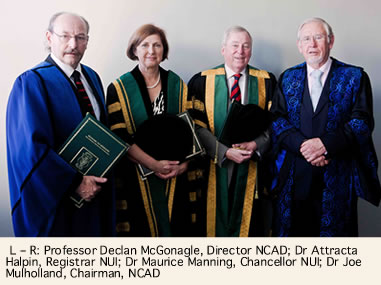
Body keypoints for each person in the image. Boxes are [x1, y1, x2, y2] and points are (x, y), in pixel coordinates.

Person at [270, 17, 381, 237]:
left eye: (318, 37)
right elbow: (277, 120)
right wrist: (304, 146)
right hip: (294, 176)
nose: (312, 44)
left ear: (330, 41)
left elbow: (362, 122)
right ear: (299, 46)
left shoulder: (355, 76)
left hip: (337, 174)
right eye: (306, 39)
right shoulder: (288, 77)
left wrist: (324, 145)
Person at [6, 12, 114, 237]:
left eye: (80, 37)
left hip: (94, 194)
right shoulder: (31, 82)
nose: (73, 44)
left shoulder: (92, 78)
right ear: (49, 38)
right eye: (65, 36)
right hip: (56, 202)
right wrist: (76, 182)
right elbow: (29, 150)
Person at [187, 26, 276, 237]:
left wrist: (256, 145)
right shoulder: (201, 81)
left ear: (251, 51)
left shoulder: (267, 81)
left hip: (252, 168)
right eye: (235, 45)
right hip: (212, 167)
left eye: (246, 46)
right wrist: (224, 151)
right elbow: (195, 126)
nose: (240, 51)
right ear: (223, 49)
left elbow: (276, 124)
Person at [106, 24, 191, 237]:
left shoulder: (178, 84)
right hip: (135, 178)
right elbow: (119, 137)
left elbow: (190, 132)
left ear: (164, 51)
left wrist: (183, 166)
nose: (151, 51)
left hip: (173, 177)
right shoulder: (119, 88)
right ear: (134, 50)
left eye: (157, 45)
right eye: (144, 45)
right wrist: (153, 164)